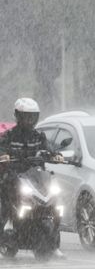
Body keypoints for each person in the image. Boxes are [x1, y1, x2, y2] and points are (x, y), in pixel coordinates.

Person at [0, 98, 65, 258]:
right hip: (13, 177)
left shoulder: (38, 136)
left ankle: (54, 245)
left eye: (32, 116)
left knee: (55, 207)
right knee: (5, 206)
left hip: (36, 178)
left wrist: (56, 154)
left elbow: (49, 147)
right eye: (25, 116)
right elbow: (1, 147)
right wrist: (4, 155)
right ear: (17, 116)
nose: (29, 120)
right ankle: (3, 237)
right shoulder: (9, 136)